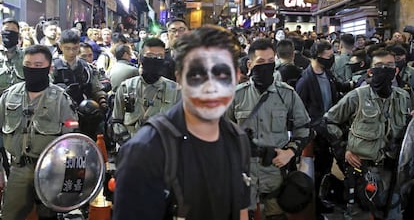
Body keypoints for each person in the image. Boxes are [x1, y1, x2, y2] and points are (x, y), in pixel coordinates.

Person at [113, 25, 251, 220]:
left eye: (221, 74)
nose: (211, 87)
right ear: (179, 78)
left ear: (236, 77)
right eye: (197, 74)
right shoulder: (146, 150)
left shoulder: (237, 140)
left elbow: (240, 211)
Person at [227, 38, 311, 220]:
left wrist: (290, 152)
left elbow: (304, 128)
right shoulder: (236, 95)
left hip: (275, 173)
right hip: (243, 173)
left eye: (271, 61)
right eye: (261, 62)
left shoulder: (287, 93)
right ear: (250, 64)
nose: (266, 66)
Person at [324, 49, 411, 220]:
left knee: (392, 213)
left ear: (396, 71)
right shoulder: (357, 96)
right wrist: (343, 150)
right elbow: (328, 121)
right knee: (360, 215)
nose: (384, 69)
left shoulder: (404, 97)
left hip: (392, 172)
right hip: (362, 170)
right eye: (379, 66)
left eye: (389, 66)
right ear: (370, 71)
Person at [0, 44, 78, 220]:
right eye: (28, 64)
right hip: (18, 169)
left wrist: (70, 182)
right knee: (9, 216)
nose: (32, 69)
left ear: (49, 68)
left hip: (51, 172)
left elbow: (73, 141)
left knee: (48, 216)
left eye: (37, 65)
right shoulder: (9, 96)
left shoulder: (61, 100)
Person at [295, 40, 353, 219]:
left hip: (330, 127)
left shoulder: (328, 74)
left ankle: (322, 198)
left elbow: (337, 91)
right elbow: (299, 109)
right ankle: (314, 207)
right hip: (316, 131)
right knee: (317, 170)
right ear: (316, 56)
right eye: (328, 57)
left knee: (327, 167)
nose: (331, 59)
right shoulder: (306, 80)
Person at [111, 37, 180, 145]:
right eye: (150, 56)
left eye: (159, 57)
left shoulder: (175, 91)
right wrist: (128, 143)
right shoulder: (126, 87)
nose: (155, 60)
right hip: (130, 147)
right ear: (141, 58)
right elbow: (116, 121)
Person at [52, 29, 107, 109]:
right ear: (60, 46)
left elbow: (96, 89)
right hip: (59, 110)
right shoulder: (53, 67)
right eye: (67, 48)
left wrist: (102, 101)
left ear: (78, 46)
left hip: (82, 109)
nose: (71, 52)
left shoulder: (86, 68)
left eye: (75, 48)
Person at [1, 18, 25, 93]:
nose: (9, 32)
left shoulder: (26, 56)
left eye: (13, 30)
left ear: (18, 34)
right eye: (6, 29)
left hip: (20, 100)